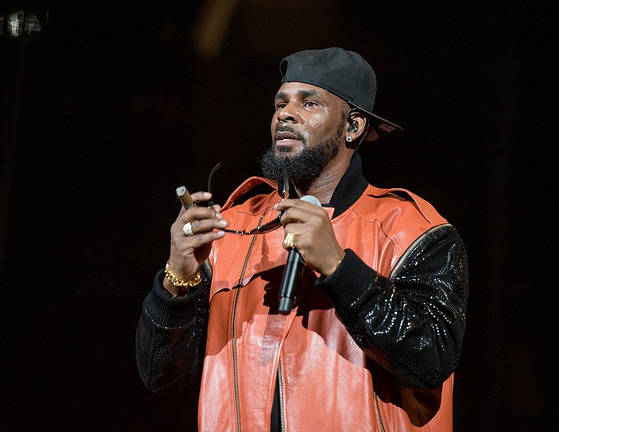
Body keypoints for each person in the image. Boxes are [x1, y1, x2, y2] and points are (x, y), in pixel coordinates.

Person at [136, 47, 469, 431]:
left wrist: (338, 267)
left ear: (353, 126)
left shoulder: (412, 232)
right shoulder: (230, 231)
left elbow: (432, 360)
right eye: (281, 103)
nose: (285, 114)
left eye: (309, 103)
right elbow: (161, 376)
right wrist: (177, 279)